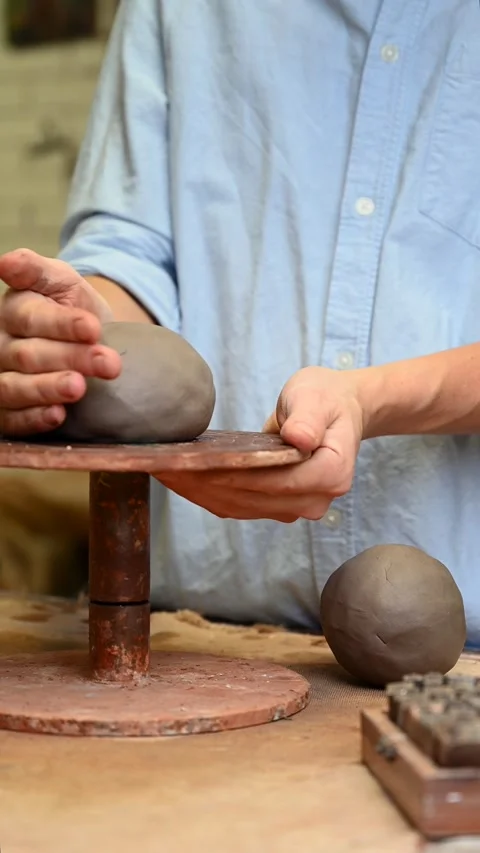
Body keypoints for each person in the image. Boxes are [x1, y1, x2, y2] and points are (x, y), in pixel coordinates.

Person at [1, 0, 480, 642]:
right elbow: (133, 251)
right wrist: (83, 336)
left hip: (461, 648)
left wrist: (375, 399)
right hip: (192, 630)